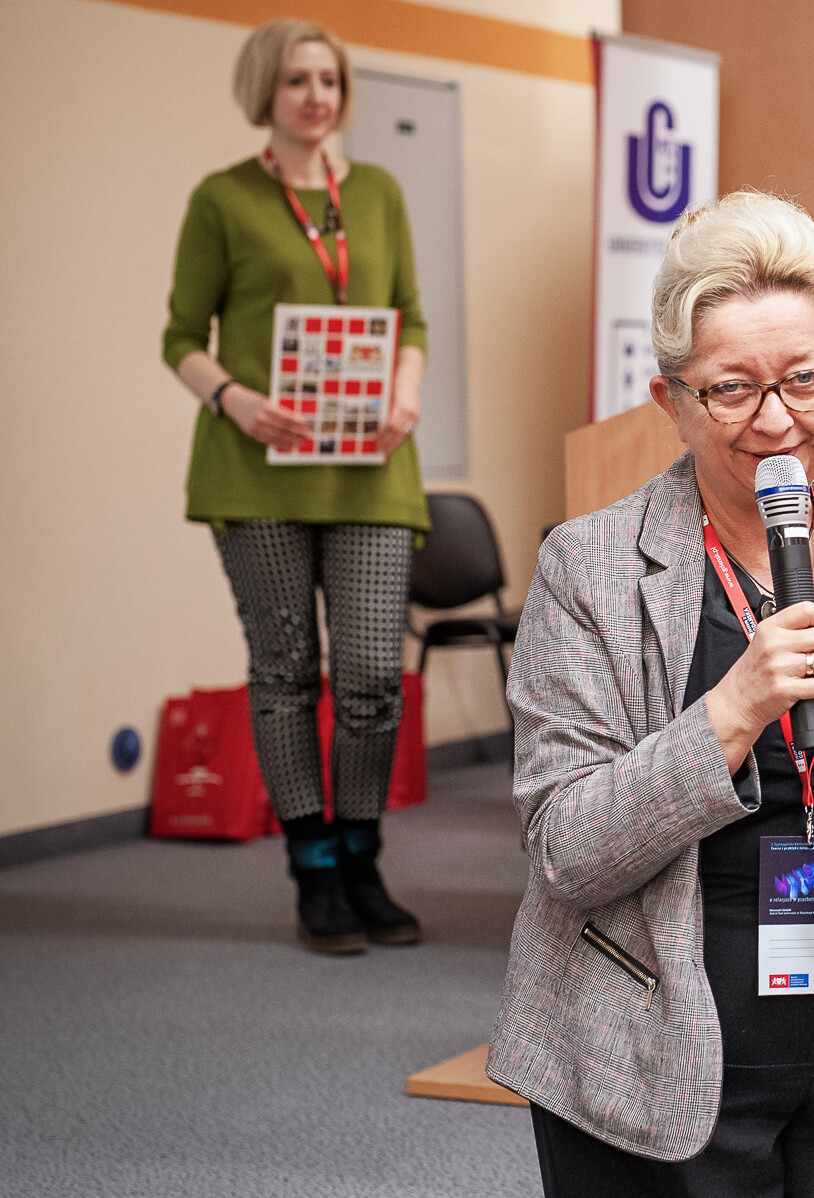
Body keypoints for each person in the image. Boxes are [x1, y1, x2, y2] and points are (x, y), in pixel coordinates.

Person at [488, 191, 814, 1197]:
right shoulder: (590, 569)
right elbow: (564, 846)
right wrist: (729, 713)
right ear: (671, 400)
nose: (775, 420)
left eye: (802, 379)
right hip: (657, 1053)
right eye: (731, 389)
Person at [162, 19, 429, 955]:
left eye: (329, 79)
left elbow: (409, 318)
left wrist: (404, 393)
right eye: (297, 80)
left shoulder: (380, 192)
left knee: (370, 677)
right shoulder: (223, 199)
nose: (317, 96)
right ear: (265, 92)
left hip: (370, 470)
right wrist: (235, 400)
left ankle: (362, 855)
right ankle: (314, 868)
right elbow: (180, 338)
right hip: (257, 471)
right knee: (285, 671)